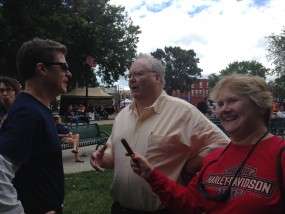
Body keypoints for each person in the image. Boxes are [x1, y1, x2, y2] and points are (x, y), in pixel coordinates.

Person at [90, 54, 230, 213]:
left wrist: (189, 167)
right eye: (129, 75)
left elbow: (223, 145)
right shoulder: (122, 115)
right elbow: (113, 156)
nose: (131, 79)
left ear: (157, 78)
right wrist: (101, 158)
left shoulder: (183, 112)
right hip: (120, 209)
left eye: (138, 74)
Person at [129, 73, 285, 214]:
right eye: (220, 104)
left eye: (232, 101)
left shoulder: (280, 155)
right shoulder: (213, 160)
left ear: (261, 106)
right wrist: (151, 175)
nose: (224, 109)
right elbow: (189, 203)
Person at [0, 38, 72, 213]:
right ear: (42, 69)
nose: (68, 74)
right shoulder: (28, 113)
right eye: (63, 67)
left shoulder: (36, 109)